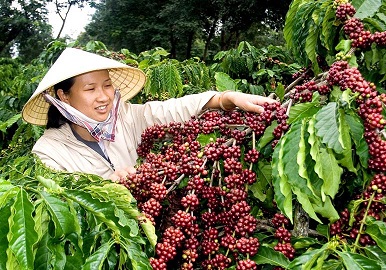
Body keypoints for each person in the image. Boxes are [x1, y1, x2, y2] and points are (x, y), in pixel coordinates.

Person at [22, 48, 276, 181]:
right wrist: (107, 185)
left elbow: (168, 111)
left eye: (107, 85)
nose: (104, 96)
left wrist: (223, 99)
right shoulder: (48, 152)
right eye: (90, 89)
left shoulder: (124, 116)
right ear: (64, 96)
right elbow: (64, 204)